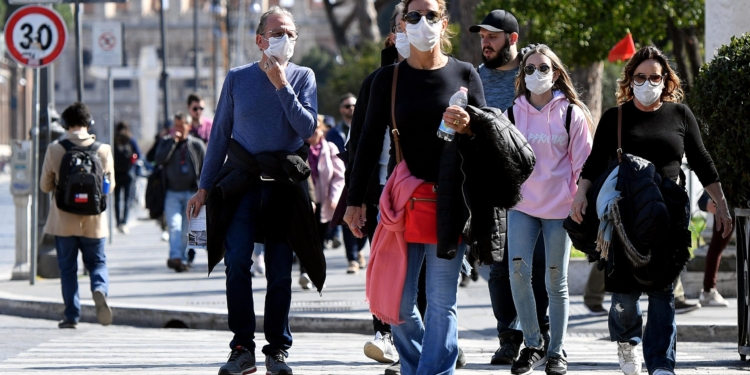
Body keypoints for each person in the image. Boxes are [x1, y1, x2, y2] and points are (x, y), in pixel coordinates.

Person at [344, 0, 504, 372]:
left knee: (441, 299)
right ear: (401, 25)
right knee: (397, 302)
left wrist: (469, 126)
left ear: (444, 22)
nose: (423, 22)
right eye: (414, 16)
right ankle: (420, 365)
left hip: (452, 199)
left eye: (431, 15)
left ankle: (434, 371)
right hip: (403, 200)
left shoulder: (465, 73)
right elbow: (366, 143)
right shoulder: (388, 79)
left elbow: (489, 137)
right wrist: (355, 201)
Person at [571, 46, 733, 375]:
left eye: (654, 77)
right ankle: (627, 340)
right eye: (640, 77)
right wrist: (581, 194)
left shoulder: (680, 115)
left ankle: (661, 363)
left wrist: (722, 204)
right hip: (624, 216)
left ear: (666, 80)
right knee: (624, 298)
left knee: (662, 293)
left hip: (670, 214)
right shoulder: (615, 118)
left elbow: (702, 160)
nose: (648, 83)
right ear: (629, 80)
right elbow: (594, 162)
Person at [187, 6, 322, 375]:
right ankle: (242, 347)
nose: (286, 39)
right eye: (278, 33)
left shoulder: (304, 76)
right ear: (260, 40)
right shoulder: (237, 79)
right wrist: (203, 187)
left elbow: (307, 128)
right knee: (236, 266)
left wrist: (282, 86)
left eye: (291, 33)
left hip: (283, 184)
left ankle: (277, 349)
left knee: (280, 271)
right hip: (241, 182)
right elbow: (219, 135)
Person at [506, 44, 593, 375]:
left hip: (562, 209)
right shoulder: (512, 113)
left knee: (556, 281)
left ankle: (556, 352)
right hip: (522, 207)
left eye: (543, 68)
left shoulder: (571, 113)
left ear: (556, 74)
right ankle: (532, 344)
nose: (536, 74)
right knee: (518, 274)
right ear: (522, 75)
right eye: (529, 69)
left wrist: (581, 198)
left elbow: (584, 163)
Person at [470, 9, 551, 365]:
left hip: (539, 188)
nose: (485, 43)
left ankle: (541, 334)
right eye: (482, 37)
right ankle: (509, 336)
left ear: (512, 39)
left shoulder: (534, 74)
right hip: (493, 188)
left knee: (537, 265)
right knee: (499, 266)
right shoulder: (475, 79)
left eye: (493, 37)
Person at [40, 102, 114, 329]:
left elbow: (45, 186)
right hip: (94, 222)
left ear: (64, 124)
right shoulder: (103, 149)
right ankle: (99, 289)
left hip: (64, 221)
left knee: (68, 269)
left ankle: (72, 315)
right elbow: (109, 187)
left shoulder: (55, 149)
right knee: (97, 263)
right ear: (88, 123)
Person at [155, 113, 206, 272]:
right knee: (174, 226)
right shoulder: (166, 143)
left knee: (187, 230)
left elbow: (206, 167)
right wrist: (172, 143)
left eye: (181, 126)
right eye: (175, 126)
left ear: (188, 127)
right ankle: (175, 257)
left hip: (191, 193)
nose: (177, 129)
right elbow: (158, 160)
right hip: (172, 193)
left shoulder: (196, 144)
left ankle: (182, 259)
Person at [302, 114, 345, 289]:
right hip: (305, 202)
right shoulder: (300, 149)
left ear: (321, 130)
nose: (311, 134)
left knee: (319, 240)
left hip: (325, 202)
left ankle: (317, 274)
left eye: (315, 129)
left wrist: (334, 198)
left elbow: (339, 176)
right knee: (305, 239)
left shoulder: (330, 148)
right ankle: (305, 272)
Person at [698, 191, 733, 307]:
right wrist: (705, 201)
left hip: (730, 201)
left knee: (717, 246)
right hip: (728, 202)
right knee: (717, 246)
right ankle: (708, 291)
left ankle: (708, 290)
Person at [112, 121, 142, 235]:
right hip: (129, 173)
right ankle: (124, 222)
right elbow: (138, 154)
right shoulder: (131, 139)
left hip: (116, 173)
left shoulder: (113, 139)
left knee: (117, 199)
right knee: (127, 199)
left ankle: (118, 222)